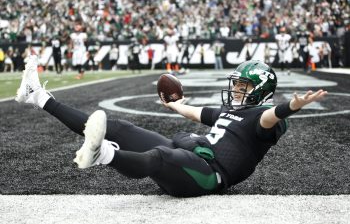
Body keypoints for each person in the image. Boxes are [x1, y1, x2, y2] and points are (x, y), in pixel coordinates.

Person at [15, 56, 327, 197]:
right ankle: (39, 97)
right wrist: (174, 105)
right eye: (236, 84)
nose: (235, 91)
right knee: (120, 127)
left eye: (243, 87)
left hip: (207, 176)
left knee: (160, 157)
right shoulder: (229, 111)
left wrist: (292, 106)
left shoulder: (262, 119)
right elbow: (195, 113)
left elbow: (271, 116)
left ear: (259, 92)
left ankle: (103, 157)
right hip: (191, 155)